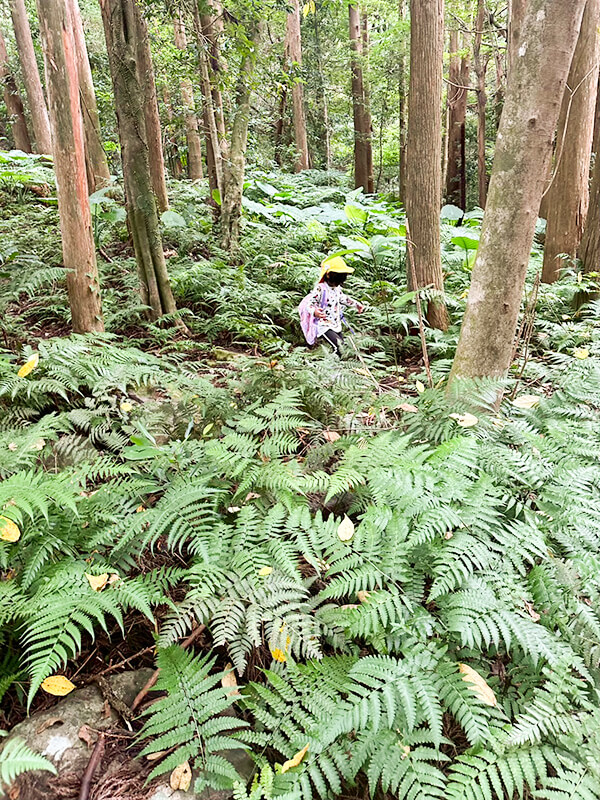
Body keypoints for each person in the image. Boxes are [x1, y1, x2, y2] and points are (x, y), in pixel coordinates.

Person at [306, 256, 365, 356]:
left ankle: (338, 368)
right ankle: (335, 368)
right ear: (328, 275)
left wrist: (356, 305)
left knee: (343, 348)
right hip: (323, 325)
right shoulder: (320, 289)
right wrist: (315, 312)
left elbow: (344, 298)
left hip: (336, 324)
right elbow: (310, 304)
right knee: (338, 346)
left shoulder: (337, 288)